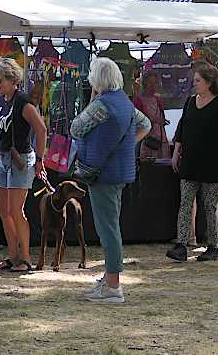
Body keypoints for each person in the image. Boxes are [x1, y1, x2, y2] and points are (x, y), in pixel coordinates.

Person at [71, 58, 151, 304]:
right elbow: (145, 124)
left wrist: (93, 99)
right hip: (119, 172)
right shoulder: (124, 102)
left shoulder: (101, 105)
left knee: (107, 229)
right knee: (110, 225)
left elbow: (76, 128)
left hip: (102, 173)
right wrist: (128, 145)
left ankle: (113, 286)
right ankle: (109, 279)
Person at [167, 61, 218, 262]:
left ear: (209, 82)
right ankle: (181, 244)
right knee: (185, 203)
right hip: (190, 162)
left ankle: (213, 246)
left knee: (209, 206)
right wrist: (176, 151)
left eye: (198, 80)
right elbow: (182, 128)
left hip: (212, 163)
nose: (194, 83)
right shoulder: (190, 102)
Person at [0, 57, 48, 273]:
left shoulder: (22, 101)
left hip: (20, 159)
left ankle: (25, 258)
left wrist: (40, 160)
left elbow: (41, 129)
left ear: (13, 80)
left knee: (15, 210)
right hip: (3, 159)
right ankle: (13, 255)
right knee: (3, 210)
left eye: (0, 80)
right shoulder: (2, 100)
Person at [133, 73, 171, 159]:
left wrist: (163, 121)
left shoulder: (158, 99)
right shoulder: (138, 100)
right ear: (145, 84)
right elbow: (136, 121)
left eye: (155, 83)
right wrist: (155, 121)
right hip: (146, 139)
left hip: (160, 138)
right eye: (151, 83)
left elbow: (161, 116)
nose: (153, 85)